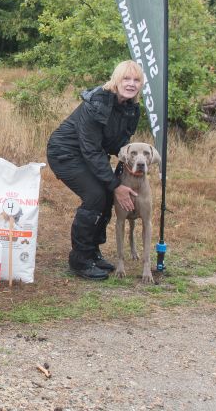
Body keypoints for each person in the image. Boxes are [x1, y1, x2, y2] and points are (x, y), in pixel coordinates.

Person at [46, 60, 143, 280]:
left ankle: (93, 252)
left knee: (108, 194)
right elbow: (90, 150)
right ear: (116, 80)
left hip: (91, 155)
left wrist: (122, 180)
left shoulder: (131, 109)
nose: (131, 84)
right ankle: (80, 260)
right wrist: (114, 185)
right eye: (126, 79)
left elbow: (121, 148)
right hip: (65, 153)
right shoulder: (97, 103)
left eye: (136, 80)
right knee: (96, 195)